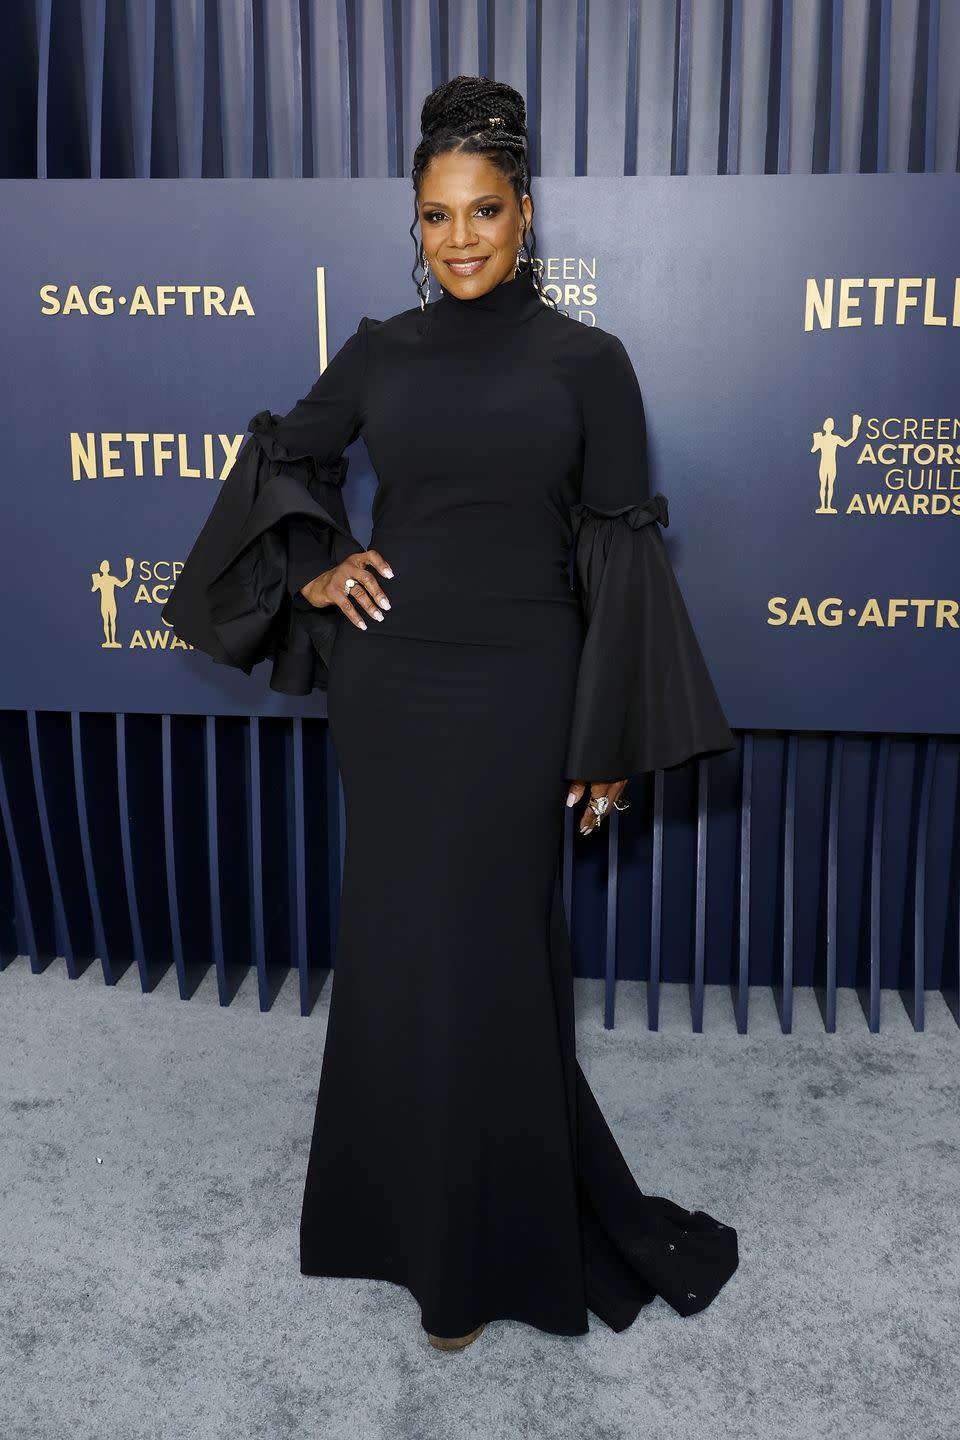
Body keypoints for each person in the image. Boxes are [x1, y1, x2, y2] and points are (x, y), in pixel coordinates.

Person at [163, 74, 739, 1352]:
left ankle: (480, 1255)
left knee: (488, 954)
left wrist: (611, 738)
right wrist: (318, 562)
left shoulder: (591, 363)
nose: (461, 237)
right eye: (437, 216)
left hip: (523, 686)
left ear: (525, 215)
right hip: (391, 683)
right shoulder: (379, 349)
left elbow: (620, 555)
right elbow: (286, 460)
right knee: (402, 949)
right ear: (415, 225)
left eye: (485, 210)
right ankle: (398, 1224)